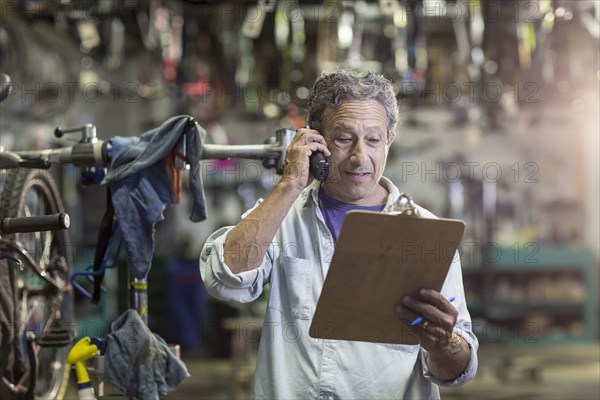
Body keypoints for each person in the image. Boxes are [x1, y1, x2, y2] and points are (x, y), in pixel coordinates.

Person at [200, 70, 478, 399]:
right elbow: (225, 280)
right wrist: (289, 184)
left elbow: (457, 372)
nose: (360, 156)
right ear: (315, 139)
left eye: (373, 140)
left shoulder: (425, 234)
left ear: (389, 139)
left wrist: (444, 344)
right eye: (344, 139)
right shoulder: (282, 218)